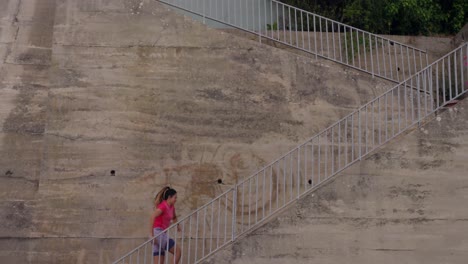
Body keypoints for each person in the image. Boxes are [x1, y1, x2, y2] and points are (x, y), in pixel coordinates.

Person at [149, 187, 181, 264]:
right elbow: (152, 217)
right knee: (177, 251)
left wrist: (178, 226)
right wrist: (151, 235)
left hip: (161, 234)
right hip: (158, 233)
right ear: (169, 197)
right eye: (175, 197)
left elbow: (174, 217)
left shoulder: (172, 207)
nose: (176, 199)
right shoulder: (163, 206)